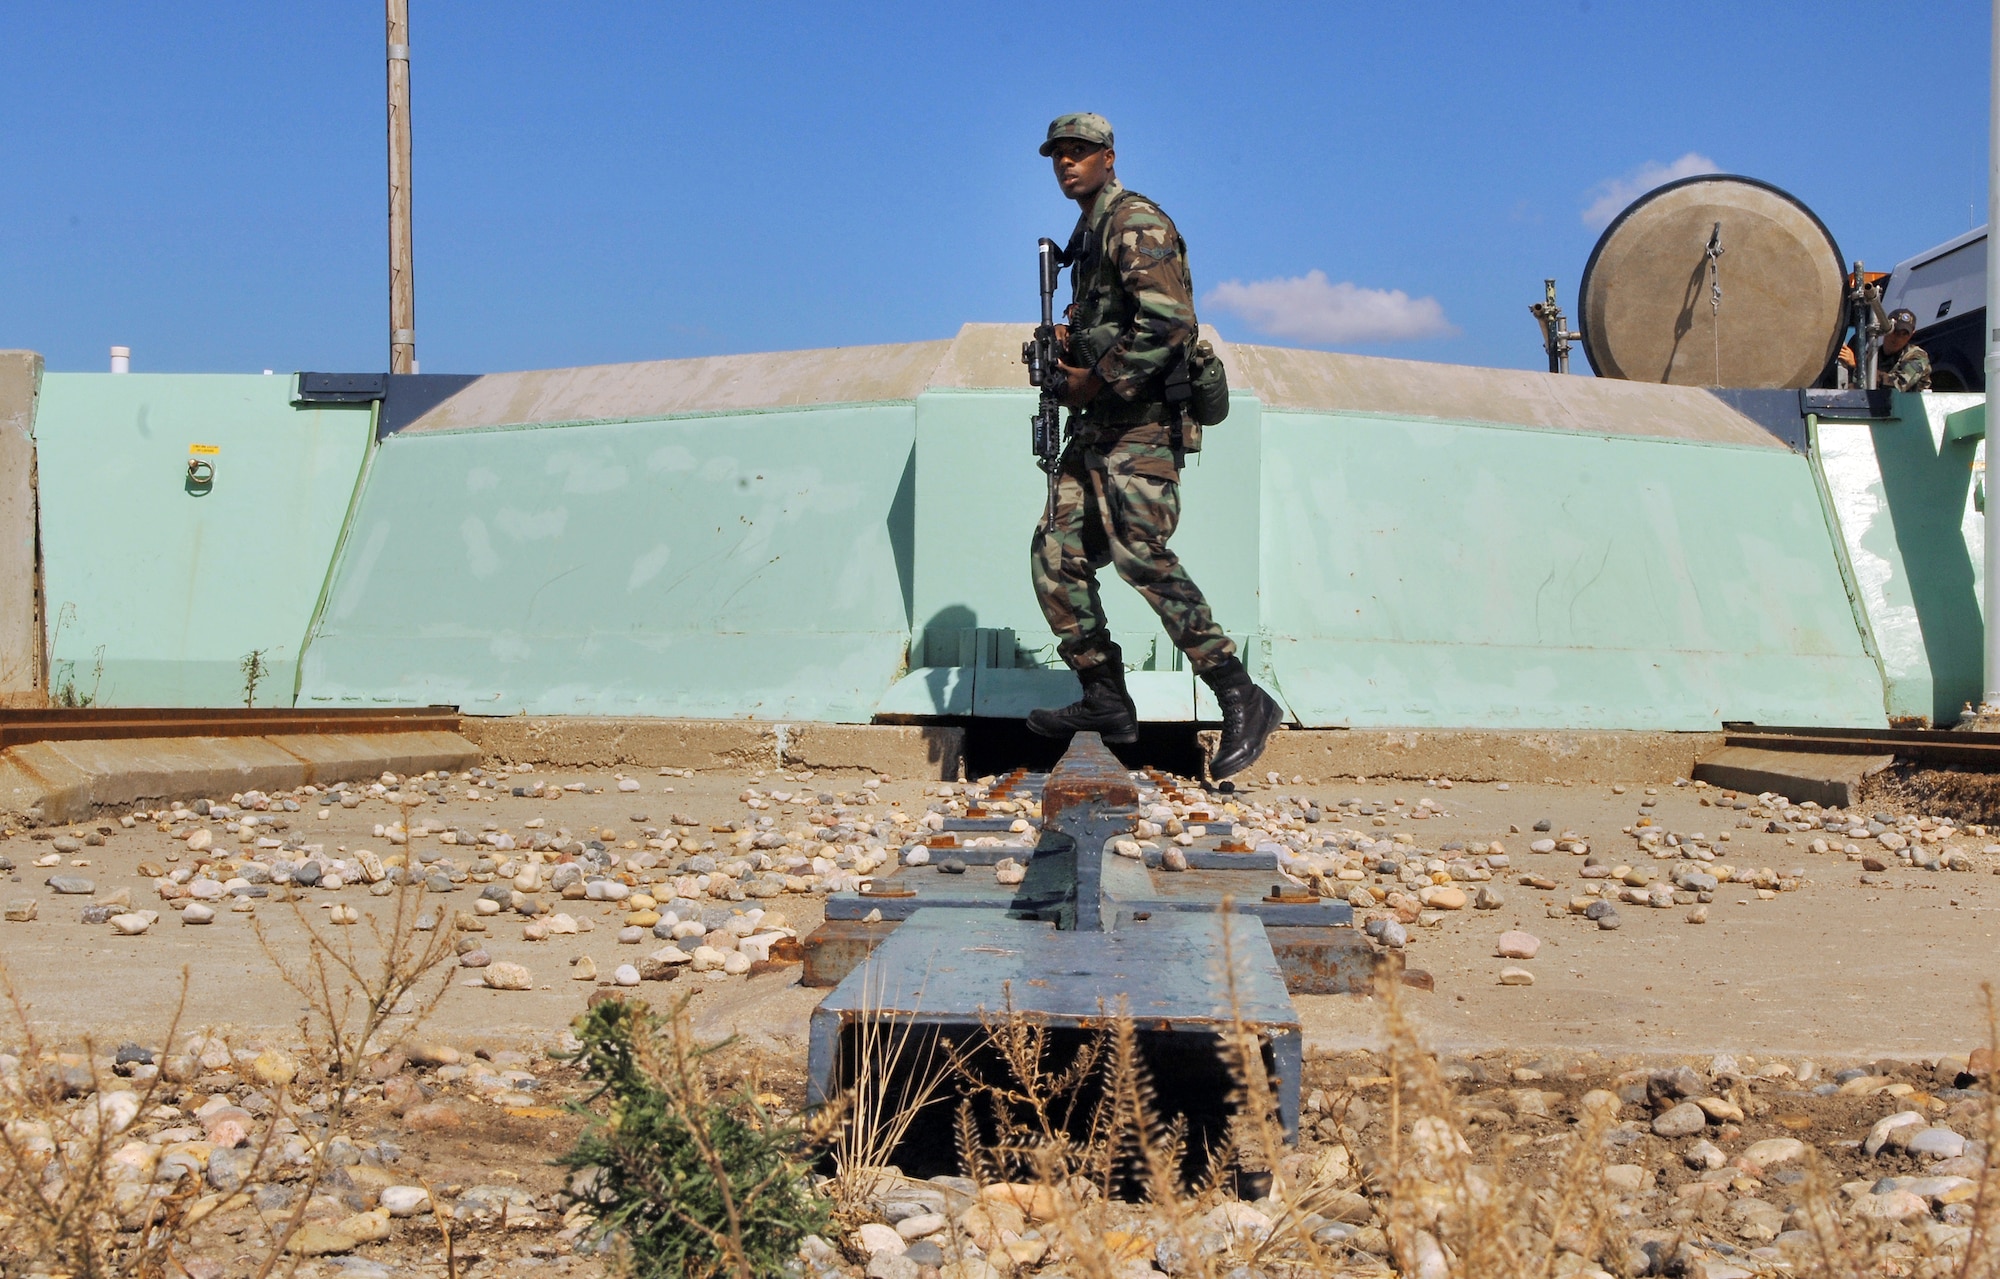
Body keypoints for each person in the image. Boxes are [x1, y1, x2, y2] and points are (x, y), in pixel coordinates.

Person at [1024, 112, 1282, 781]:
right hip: (1099, 427)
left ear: (1109, 158)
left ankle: (1240, 693)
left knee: (1142, 555)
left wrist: (1093, 376)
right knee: (1056, 552)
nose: (1067, 164)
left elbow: (1171, 321)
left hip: (1139, 426)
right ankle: (1105, 698)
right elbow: (1114, 321)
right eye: (1058, 155)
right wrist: (1066, 345)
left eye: (1079, 153)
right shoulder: (1090, 235)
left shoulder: (1134, 221)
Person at [1837, 308, 1932, 391]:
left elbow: (1898, 385)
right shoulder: (1871, 356)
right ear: (1886, 329)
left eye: (1904, 334)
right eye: (1895, 332)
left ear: (1912, 334)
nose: (1898, 338)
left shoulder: (1917, 356)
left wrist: (1858, 366)